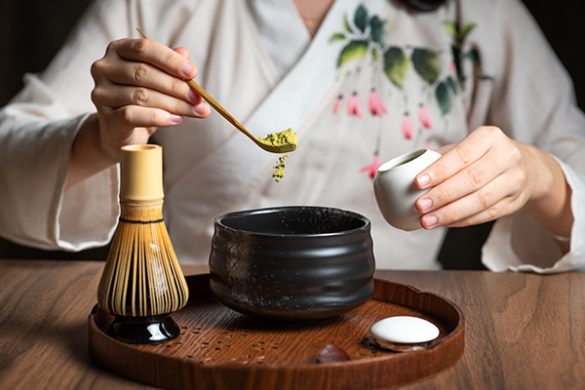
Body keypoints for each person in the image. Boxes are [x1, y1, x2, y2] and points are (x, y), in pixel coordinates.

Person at [0, 0, 583, 272]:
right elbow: (10, 153)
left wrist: (535, 175)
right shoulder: (157, 6)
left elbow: (570, 159)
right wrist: (103, 140)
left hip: (398, 329)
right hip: (194, 314)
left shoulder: (473, 15)